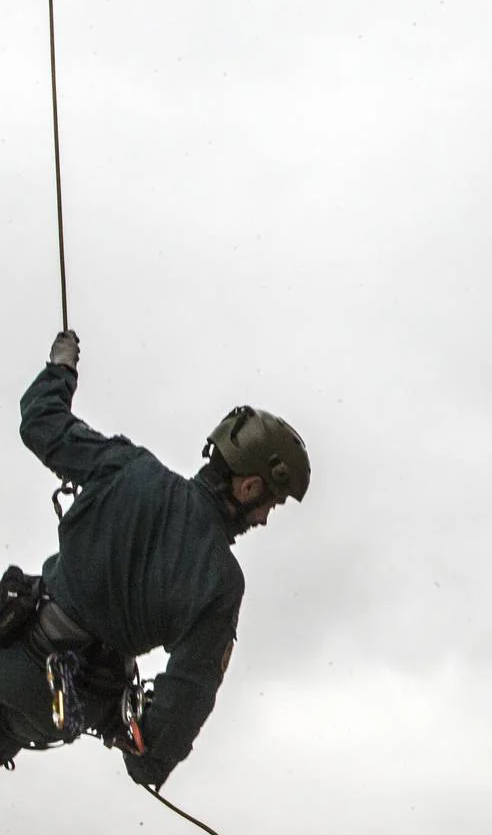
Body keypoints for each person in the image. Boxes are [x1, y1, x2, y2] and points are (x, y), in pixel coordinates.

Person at [0, 330, 310, 788]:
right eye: (271, 503)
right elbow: (186, 697)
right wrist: (147, 760)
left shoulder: (127, 468)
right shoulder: (220, 582)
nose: (264, 518)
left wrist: (61, 369)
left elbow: (41, 423)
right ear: (249, 487)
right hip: (53, 706)